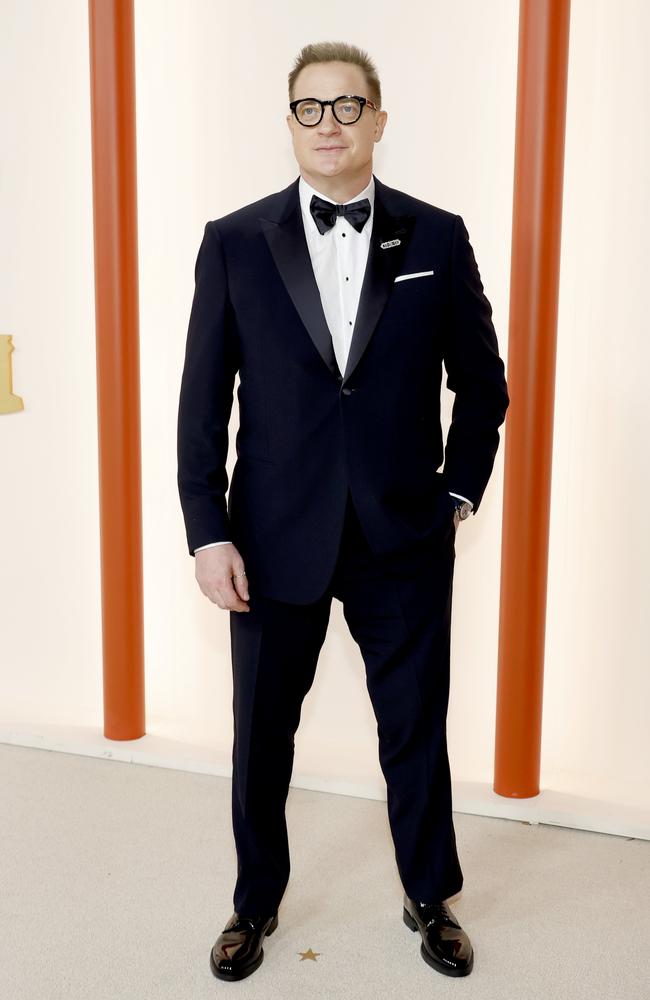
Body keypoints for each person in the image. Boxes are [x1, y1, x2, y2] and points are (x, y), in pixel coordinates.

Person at [177, 40, 509, 983]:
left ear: (379, 118)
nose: (331, 125)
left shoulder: (438, 238)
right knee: (260, 738)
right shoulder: (234, 241)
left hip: (403, 534)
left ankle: (428, 894)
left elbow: (483, 386)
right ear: (290, 123)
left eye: (348, 106)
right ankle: (254, 902)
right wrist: (208, 531)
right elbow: (202, 402)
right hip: (272, 538)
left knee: (414, 726)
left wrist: (457, 491)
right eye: (312, 109)